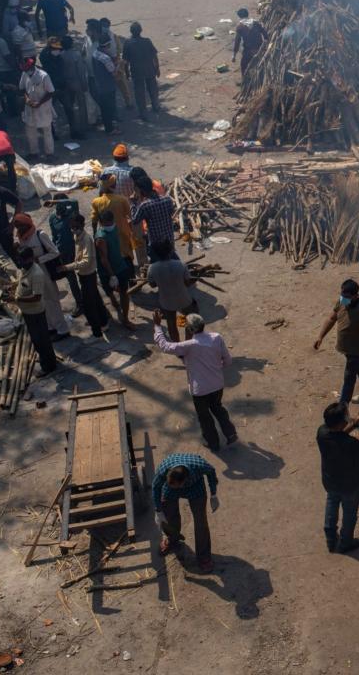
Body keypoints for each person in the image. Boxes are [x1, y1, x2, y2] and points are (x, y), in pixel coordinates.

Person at [153, 311, 237, 450]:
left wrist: (157, 326)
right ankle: (230, 433)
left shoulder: (188, 346)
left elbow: (165, 346)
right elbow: (227, 361)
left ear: (189, 329)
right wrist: (215, 368)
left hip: (200, 391)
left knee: (205, 418)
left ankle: (213, 443)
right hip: (217, 384)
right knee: (218, 408)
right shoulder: (216, 338)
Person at [316, 402, 359, 554]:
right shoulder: (350, 443)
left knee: (332, 502)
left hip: (330, 481)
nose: (350, 417)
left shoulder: (322, 433)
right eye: (347, 416)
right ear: (341, 422)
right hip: (350, 486)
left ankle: (331, 539)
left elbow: (338, 435)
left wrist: (354, 425)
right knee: (349, 515)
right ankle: (346, 542)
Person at [313, 279, 359, 404]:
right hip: (347, 348)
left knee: (349, 377)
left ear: (355, 295)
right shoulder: (341, 302)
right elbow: (331, 318)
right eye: (342, 295)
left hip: (357, 349)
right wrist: (320, 336)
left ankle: (342, 407)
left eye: (346, 296)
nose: (343, 298)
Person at [152, 452, 219, 572]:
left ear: (184, 481)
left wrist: (213, 494)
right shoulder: (164, 470)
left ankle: (204, 557)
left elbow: (211, 471)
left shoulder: (199, 466)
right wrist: (158, 510)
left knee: (200, 522)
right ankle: (172, 539)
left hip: (196, 489)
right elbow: (156, 487)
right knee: (168, 516)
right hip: (170, 492)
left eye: (176, 485)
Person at [14, 213, 71, 338]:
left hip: (45, 271)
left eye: (21, 226)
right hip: (32, 273)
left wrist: (39, 259)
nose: (19, 229)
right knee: (42, 301)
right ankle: (51, 327)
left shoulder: (40, 235)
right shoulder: (21, 237)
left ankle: (62, 329)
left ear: (27, 224)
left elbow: (55, 252)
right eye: (17, 227)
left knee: (52, 300)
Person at [60, 212, 110, 339]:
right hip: (84, 275)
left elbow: (86, 261)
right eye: (72, 227)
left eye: (76, 227)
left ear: (82, 225)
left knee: (89, 305)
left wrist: (68, 266)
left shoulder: (86, 239)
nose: (74, 229)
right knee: (96, 300)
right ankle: (103, 322)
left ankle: (97, 331)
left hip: (88, 275)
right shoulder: (77, 237)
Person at [14, 247, 59, 375]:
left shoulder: (37, 274)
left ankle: (48, 366)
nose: (20, 262)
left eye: (21, 260)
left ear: (29, 259)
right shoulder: (25, 269)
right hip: (28, 312)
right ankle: (49, 360)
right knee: (38, 339)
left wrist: (18, 299)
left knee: (41, 339)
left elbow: (36, 297)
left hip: (35, 312)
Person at [94, 208, 135, 329]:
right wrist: (112, 275)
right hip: (107, 270)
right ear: (101, 223)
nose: (110, 225)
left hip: (120, 265)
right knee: (109, 291)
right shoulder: (100, 238)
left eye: (111, 222)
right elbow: (104, 259)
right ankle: (113, 301)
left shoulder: (115, 227)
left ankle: (125, 319)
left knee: (124, 292)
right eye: (107, 223)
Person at [147, 241, 195, 340]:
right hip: (184, 298)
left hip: (166, 301)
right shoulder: (181, 264)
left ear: (156, 253)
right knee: (190, 320)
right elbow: (187, 283)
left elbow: (152, 285)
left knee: (171, 324)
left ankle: (178, 347)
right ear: (170, 251)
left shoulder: (152, 268)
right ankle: (188, 343)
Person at [130, 171, 175, 260]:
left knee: (158, 266)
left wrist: (134, 203)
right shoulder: (167, 199)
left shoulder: (145, 206)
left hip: (156, 244)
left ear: (141, 190)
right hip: (169, 239)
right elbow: (171, 213)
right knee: (170, 261)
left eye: (136, 190)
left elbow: (135, 220)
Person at [19, 57, 55, 162]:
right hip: (30, 108)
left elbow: (51, 92)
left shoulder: (44, 76)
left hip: (43, 108)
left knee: (47, 132)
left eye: (27, 69)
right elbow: (22, 89)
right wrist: (27, 99)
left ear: (32, 66)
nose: (26, 71)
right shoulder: (24, 74)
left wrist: (39, 103)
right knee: (30, 132)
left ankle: (49, 154)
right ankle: (33, 153)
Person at [123, 23, 159, 119]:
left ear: (131, 31)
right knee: (153, 89)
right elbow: (154, 55)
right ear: (141, 30)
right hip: (149, 69)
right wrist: (157, 68)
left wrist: (127, 73)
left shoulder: (127, 43)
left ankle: (143, 113)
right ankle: (156, 106)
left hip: (136, 72)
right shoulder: (147, 41)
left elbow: (125, 61)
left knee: (139, 93)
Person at [88, 36, 119, 135]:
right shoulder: (105, 58)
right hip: (108, 86)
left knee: (104, 108)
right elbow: (113, 72)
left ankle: (108, 126)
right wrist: (119, 64)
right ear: (107, 45)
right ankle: (110, 129)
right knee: (109, 107)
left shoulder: (95, 54)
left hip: (99, 85)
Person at [232, 8, 267, 75]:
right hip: (259, 48)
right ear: (247, 14)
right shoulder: (256, 22)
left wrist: (234, 55)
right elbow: (265, 33)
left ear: (239, 16)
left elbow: (237, 42)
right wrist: (265, 44)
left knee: (243, 65)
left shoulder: (240, 26)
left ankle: (245, 81)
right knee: (259, 64)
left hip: (248, 50)